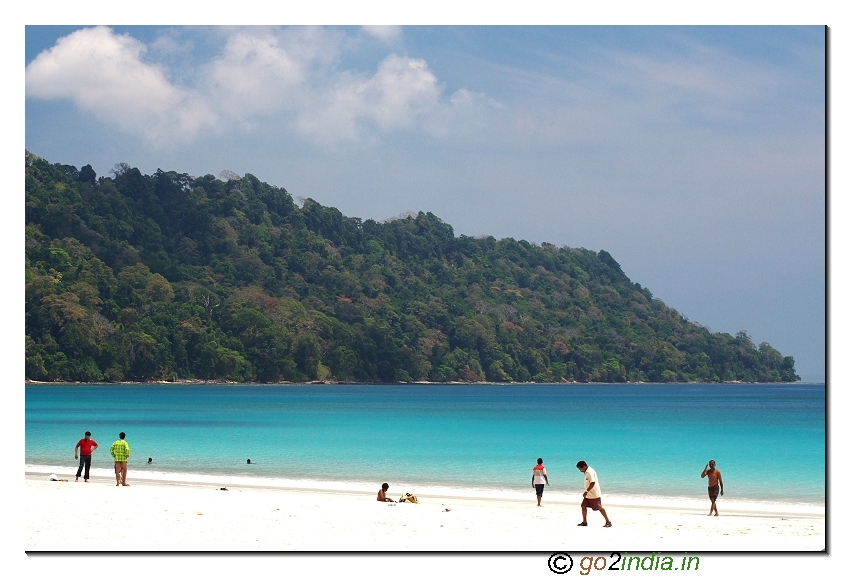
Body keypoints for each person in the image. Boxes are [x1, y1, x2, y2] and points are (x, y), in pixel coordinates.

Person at [576, 460, 612, 527]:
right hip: (588, 495)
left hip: (594, 494)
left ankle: (608, 521)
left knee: (599, 508)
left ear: (583, 466)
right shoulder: (586, 472)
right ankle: (584, 522)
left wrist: (586, 491)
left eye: (580, 469)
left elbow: (592, 483)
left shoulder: (590, 472)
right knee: (583, 506)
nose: (580, 470)